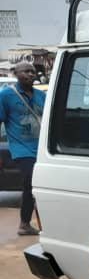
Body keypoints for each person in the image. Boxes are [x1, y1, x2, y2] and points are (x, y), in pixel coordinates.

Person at [0, 61, 45, 235]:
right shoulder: (6, 95)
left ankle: (29, 223)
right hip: (21, 149)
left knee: (38, 186)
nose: (31, 74)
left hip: (42, 149)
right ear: (15, 74)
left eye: (33, 71)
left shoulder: (41, 96)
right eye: (26, 71)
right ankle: (25, 224)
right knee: (31, 181)